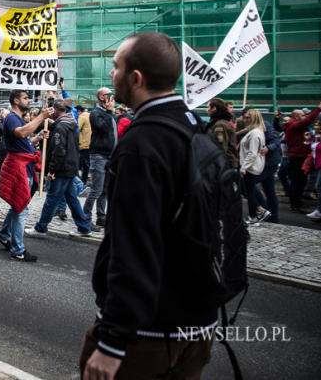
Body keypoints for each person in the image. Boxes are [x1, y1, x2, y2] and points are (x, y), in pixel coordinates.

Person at [80, 32, 215, 380]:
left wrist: (112, 341)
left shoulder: (143, 143)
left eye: (115, 67)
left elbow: (134, 246)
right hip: (198, 321)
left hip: (150, 334)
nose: (111, 75)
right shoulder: (193, 126)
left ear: (135, 78)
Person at [0, 90, 47, 261]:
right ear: (16, 101)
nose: (28, 100)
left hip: (25, 166)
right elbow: (21, 133)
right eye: (25, 98)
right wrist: (41, 117)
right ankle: (17, 250)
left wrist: (37, 138)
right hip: (19, 168)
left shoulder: (16, 118)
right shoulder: (11, 118)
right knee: (21, 209)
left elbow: (23, 142)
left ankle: (3, 234)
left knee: (18, 205)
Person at [27, 101, 92, 237]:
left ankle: (41, 227)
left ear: (55, 111)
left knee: (52, 198)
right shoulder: (70, 123)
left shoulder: (61, 127)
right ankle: (83, 227)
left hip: (61, 168)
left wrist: (52, 170)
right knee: (71, 198)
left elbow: (59, 150)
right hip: (70, 166)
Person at [283, 101, 321, 213]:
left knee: (300, 181)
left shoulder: (296, 127)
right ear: (296, 117)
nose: (305, 117)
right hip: (297, 157)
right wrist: (318, 108)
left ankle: (298, 203)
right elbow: (308, 120)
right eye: (302, 115)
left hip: (299, 156)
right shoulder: (293, 126)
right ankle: (296, 205)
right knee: (298, 181)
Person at [241, 107, 281, 223]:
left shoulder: (264, 126)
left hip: (268, 163)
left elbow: (275, 141)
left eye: (247, 117)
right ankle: (270, 215)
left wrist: (268, 148)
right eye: (244, 117)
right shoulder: (252, 127)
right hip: (263, 162)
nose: (245, 120)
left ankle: (262, 210)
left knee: (248, 185)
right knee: (269, 190)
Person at [85, 88, 117, 231]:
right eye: (108, 95)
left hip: (109, 155)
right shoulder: (96, 113)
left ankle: (101, 217)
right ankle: (86, 218)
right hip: (99, 155)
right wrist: (110, 112)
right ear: (101, 97)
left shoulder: (109, 113)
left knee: (104, 190)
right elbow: (103, 128)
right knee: (96, 189)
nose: (111, 97)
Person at [206, 97, 238, 169]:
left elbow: (220, 147)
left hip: (224, 165)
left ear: (214, 108)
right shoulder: (224, 122)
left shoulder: (220, 125)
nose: (207, 110)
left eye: (208, 107)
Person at [76, 105, 90, 184]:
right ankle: (84, 180)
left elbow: (77, 128)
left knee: (79, 163)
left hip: (82, 143)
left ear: (78, 112)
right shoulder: (89, 115)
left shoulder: (81, 117)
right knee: (86, 164)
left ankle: (79, 182)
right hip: (89, 143)